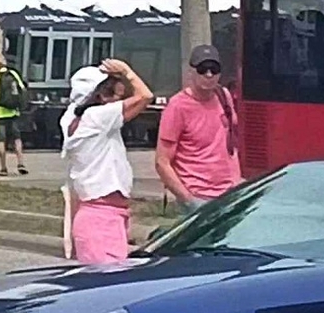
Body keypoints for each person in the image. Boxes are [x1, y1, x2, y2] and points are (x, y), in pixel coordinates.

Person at [60, 58, 152, 264]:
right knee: (110, 282)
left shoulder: (72, 118)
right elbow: (145, 96)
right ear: (99, 96)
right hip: (101, 216)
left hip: (103, 213)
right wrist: (128, 71)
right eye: (112, 93)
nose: (118, 98)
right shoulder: (96, 116)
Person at [154, 44, 242, 211]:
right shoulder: (177, 106)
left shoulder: (224, 96)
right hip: (198, 196)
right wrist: (187, 199)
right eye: (203, 69)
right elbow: (162, 161)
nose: (209, 74)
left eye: (214, 69)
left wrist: (237, 183)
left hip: (230, 193)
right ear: (191, 72)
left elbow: (231, 143)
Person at [0, 53, 31, 177]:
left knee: (1, 140)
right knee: (17, 139)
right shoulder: (14, 74)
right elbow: (22, 89)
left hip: (0, 114)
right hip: (14, 112)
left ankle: (3, 168)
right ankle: (21, 164)